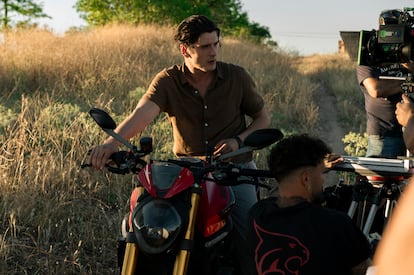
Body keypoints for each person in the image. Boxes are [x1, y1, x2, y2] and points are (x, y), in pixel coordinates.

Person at [88, 14, 270, 270]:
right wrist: (111, 144)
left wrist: (238, 142)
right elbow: (142, 114)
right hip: (186, 171)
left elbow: (263, 119)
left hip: (233, 171)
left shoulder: (236, 77)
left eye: (216, 44)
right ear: (184, 49)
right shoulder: (168, 80)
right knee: (144, 226)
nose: (213, 52)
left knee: (249, 242)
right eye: (205, 46)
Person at [245, 134, 372, 275]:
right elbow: (365, 270)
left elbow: (281, 187)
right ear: (306, 179)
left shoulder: (257, 215)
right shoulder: (336, 224)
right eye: (321, 174)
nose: (322, 181)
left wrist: (314, 169)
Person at [356, 9, 413, 158]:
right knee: (381, 180)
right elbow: (375, 89)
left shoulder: (409, 56)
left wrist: (410, 65)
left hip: (411, 129)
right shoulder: (369, 55)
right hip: (384, 135)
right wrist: (407, 84)